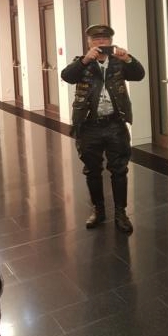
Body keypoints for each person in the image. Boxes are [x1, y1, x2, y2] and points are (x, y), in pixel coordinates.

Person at [61, 24, 145, 234]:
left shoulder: (118, 63)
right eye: (96, 39)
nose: (101, 42)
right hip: (89, 126)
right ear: (89, 42)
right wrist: (85, 60)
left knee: (119, 170)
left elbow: (139, 74)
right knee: (92, 170)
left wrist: (128, 59)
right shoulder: (82, 63)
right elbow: (67, 76)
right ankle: (98, 211)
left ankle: (120, 213)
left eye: (105, 39)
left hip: (115, 124)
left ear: (110, 42)